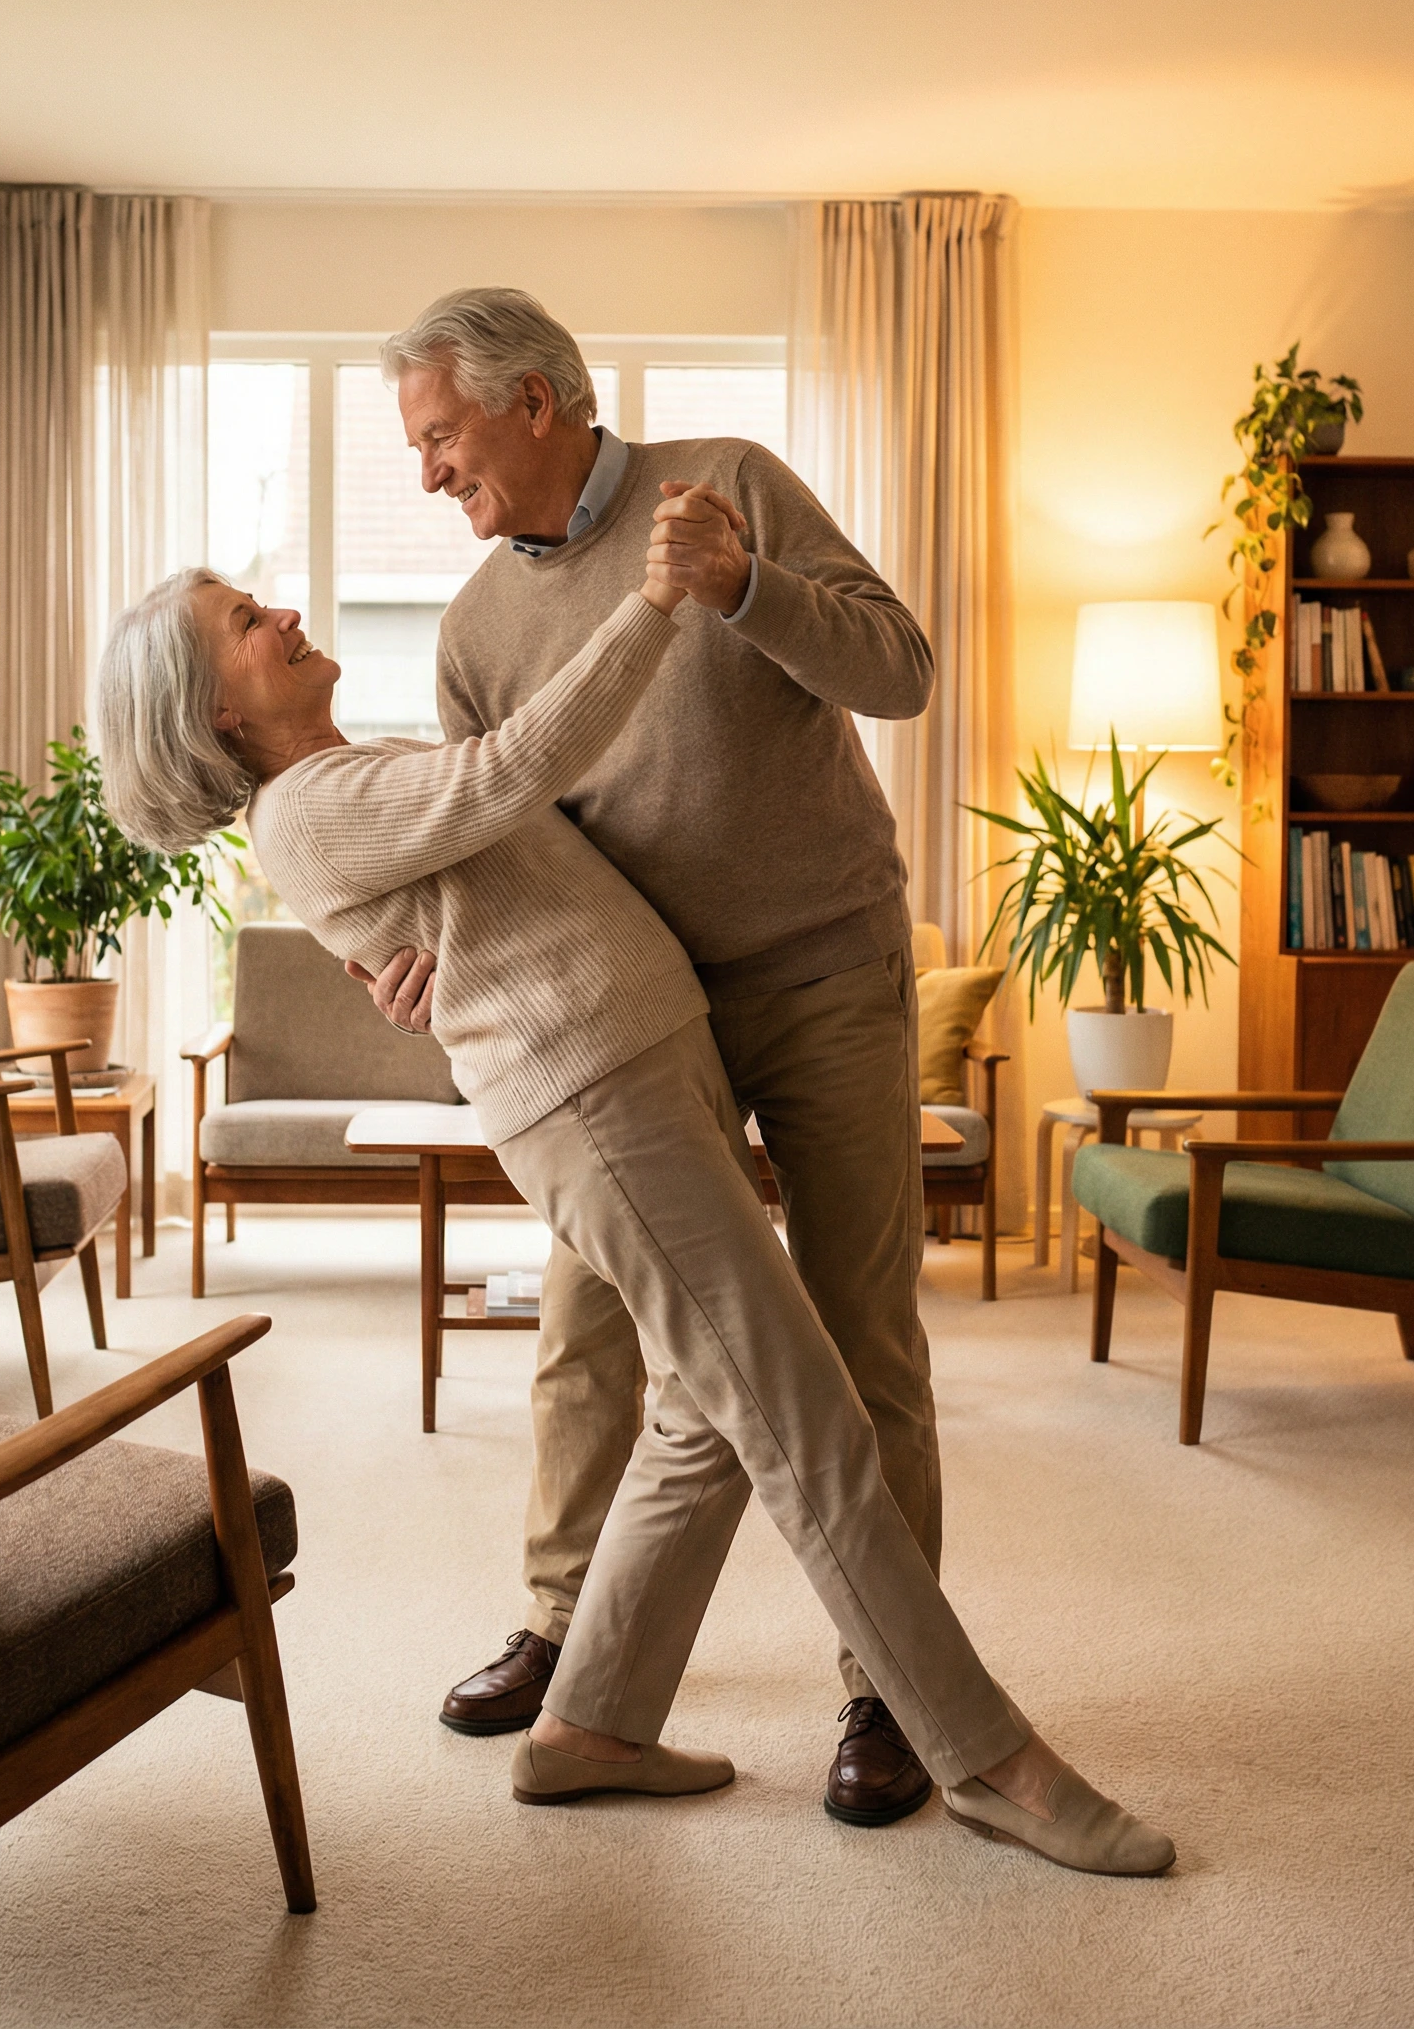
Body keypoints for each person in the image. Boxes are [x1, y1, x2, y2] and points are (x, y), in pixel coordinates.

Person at [95, 554, 1175, 1875]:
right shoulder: (307, 808)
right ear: (216, 709)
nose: (285, 616)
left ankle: (594, 1723)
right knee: (806, 1416)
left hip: (643, 1064)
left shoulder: (342, 778)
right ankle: (989, 1758)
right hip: (598, 1098)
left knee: (708, 1413)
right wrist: (661, 601)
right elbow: (513, 769)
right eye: (246, 624)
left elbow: (491, 875)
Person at [360, 286, 943, 1828]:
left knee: (858, 1326)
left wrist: (751, 590)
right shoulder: (480, 626)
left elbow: (901, 671)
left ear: (534, 402)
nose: (427, 474)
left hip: (823, 966)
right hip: (638, 1017)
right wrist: (433, 940)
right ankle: (563, 1631)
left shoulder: (728, 482)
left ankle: (888, 1687)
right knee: (588, 1322)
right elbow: (500, 832)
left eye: (439, 439)